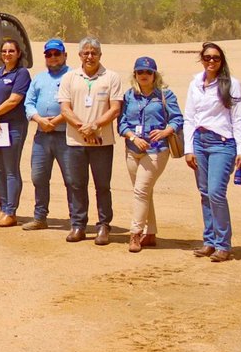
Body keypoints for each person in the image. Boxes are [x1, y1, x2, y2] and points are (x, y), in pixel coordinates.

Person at [183, 42, 241, 263]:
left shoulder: (232, 84)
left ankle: (223, 244)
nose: (211, 61)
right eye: (208, 57)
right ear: (201, 59)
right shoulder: (195, 83)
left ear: (222, 61)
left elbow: (238, 119)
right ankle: (209, 241)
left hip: (222, 143)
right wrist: (188, 149)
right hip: (199, 142)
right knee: (204, 193)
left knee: (216, 192)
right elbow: (189, 117)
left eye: (216, 58)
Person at [57, 37, 125, 244]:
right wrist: (82, 128)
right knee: (77, 184)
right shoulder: (69, 77)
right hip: (75, 141)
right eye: (85, 53)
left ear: (100, 55)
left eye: (94, 52)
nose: (90, 56)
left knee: (102, 185)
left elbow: (115, 108)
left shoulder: (111, 77)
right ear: (79, 56)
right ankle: (78, 225)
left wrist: (94, 126)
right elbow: (65, 108)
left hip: (101, 141)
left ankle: (104, 225)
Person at [120, 56, 183, 253]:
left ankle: (135, 234)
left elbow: (178, 119)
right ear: (135, 74)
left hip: (156, 150)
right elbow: (121, 123)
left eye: (148, 72)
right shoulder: (129, 96)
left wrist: (166, 131)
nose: (144, 75)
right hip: (133, 149)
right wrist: (132, 137)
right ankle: (151, 233)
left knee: (140, 191)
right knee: (144, 192)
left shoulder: (165, 95)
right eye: (140, 72)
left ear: (155, 74)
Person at [22, 39, 72, 232]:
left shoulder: (73, 76)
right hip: (42, 134)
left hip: (65, 135)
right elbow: (29, 102)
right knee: (38, 177)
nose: (52, 58)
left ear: (65, 55)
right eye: (49, 54)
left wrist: (59, 119)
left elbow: (75, 103)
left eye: (56, 54)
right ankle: (40, 217)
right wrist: (39, 119)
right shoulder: (39, 78)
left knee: (71, 179)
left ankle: (75, 220)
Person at [0, 38, 32, 227]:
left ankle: (11, 211)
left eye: (11, 51)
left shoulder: (22, 74)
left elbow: (14, 100)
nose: (7, 54)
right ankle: (2, 208)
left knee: (11, 169)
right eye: (4, 51)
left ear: (18, 53)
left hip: (13, 126)